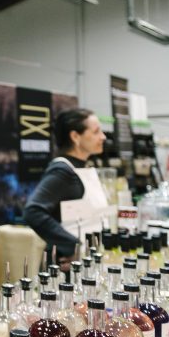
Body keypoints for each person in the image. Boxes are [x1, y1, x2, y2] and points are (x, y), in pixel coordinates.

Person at [23, 108, 107, 268]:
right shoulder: (62, 171)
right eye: (96, 132)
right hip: (66, 267)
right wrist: (72, 246)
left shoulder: (83, 168)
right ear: (75, 136)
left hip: (87, 261)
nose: (103, 137)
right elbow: (33, 212)